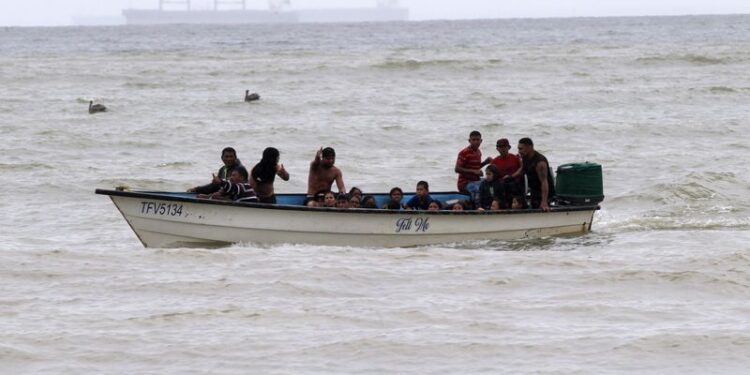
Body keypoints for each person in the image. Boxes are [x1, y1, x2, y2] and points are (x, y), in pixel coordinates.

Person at [517, 137, 556, 211]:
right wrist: (510, 176)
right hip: (534, 191)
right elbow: (522, 170)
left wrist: (544, 201)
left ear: (529, 147)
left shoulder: (540, 162)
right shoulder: (525, 157)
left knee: (540, 206)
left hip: (545, 193)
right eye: (518, 149)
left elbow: (544, 182)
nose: (519, 151)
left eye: (521, 149)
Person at [455, 130, 492, 198]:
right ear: (469, 140)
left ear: (481, 141)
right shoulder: (464, 152)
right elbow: (457, 169)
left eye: (477, 140)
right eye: (473, 140)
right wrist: (474, 171)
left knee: (490, 182)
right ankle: (478, 207)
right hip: (465, 183)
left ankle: (491, 204)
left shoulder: (478, 152)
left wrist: (485, 162)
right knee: (477, 189)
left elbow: (476, 167)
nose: (476, 142)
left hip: (475, 180)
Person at [491, 138, 523, 207]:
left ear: (509, 147)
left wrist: (511, 176)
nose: (503, 149)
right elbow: (492, 178)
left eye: (505, 146)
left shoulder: (516, 158)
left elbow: (522, 169)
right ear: (497, 149)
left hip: (516, 186)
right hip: (501, 187)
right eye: (500, 147)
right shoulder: (494, 162)